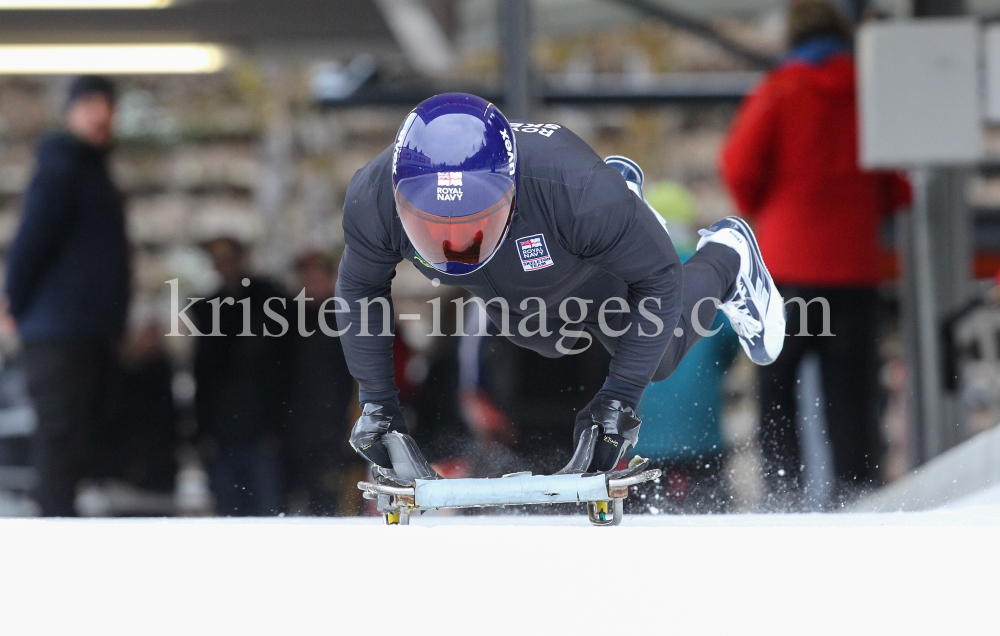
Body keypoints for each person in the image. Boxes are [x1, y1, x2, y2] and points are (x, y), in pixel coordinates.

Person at [338, 93, 786, 481]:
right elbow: (359, 291)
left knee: (658, 356)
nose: (456, 246)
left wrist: (619, 401)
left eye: (475, 221)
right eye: (434, 226)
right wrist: (379, 407)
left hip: (576, 258)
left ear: (511, 191)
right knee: (541, 338)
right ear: (399, 199)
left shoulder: (573, 189)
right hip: (516, 286)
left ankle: (728, 254)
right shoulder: (371, 198)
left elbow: (661, 276)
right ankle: (625, 206)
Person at [719, 0, 911, 505]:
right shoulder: (871, 98)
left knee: (776, 393)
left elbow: (738, 168)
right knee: (852, 398)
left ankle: (785, 496)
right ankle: (860, 498)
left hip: (786, 272)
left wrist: (768, 212)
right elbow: (898, 188)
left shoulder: (779, 93)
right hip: (855, 271)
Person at [4, 76, 130, 516]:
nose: (101, 114)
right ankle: (54, 530)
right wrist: (13, 302)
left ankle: (64, 521)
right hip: (58, 331)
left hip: (87, 329)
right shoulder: (61, 164)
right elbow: (32, 240)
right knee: (61, 436)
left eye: (107, 104)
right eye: (90, 104)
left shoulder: (93, 168)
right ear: (71, 111)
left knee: (81, 438)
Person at [192, 237, 290, 516]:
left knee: (270, 512)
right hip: (222, 435)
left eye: (228, 258)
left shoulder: (271, 302)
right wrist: (204, 431)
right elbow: (203, 376)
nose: (224, 266)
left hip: (264, 434)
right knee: (228, 514)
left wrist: (279, 426)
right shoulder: (208, 309)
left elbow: (283, 370)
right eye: (218, 260)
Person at [284, 250, 355, 515]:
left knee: (332, 502)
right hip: (294, 427)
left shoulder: (350, 317)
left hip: (336, 427)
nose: (311, 282)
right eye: (306, 276)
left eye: (317, 275)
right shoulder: (286, 318)